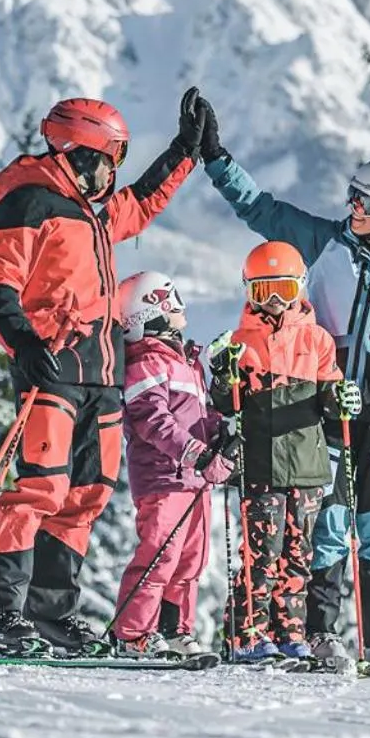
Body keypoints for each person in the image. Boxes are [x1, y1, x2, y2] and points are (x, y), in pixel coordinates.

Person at [0, 90, 208, 656]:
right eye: (110, 157)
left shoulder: (94, 213)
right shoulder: (29, 205)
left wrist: (185, 150)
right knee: (38, 490)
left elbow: (142, 202)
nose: (115, 170)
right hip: (52, 368)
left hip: (102, 374)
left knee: (87, 494)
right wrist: (22, 344)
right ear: (80, 150)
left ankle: (52, 616)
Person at [200, 107, 370, 675]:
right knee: (328, 518)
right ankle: (317, 631)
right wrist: (217, 159)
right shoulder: (326, 243)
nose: (351, 208)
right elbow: (263, 212)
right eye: (352, 196)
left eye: (363, 202)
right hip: (321, 404)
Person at [213, 241, 357, 663]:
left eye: (282, 289)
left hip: (308, 466)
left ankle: (289, 632)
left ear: (299, 289)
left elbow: (329, 401)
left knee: (299, 556)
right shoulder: (240, 342)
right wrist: (224, 378)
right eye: (263, 291)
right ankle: (247, 633)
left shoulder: (317, 341)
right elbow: (223, 404)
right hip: (262, 465)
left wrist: (341, 400)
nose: (274, 301)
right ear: (249, 293)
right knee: (262, 554)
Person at [109, 270, 233, 657]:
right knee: (159, 554)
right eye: (172, 298)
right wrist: (197, 452)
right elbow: (154, 421)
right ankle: (131, 634)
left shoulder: (185, 363)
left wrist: (221, 435)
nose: (181, 307)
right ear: (154, 308)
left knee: (191, 561)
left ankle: (174, 630)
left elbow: (201, 416)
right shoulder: (145, 363)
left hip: (194, 481)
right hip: (164, 479)